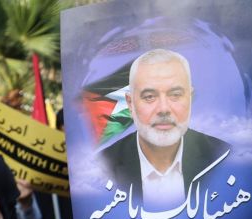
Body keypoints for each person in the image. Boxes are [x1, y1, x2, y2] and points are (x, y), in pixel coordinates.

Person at [99, 49, 230, 209]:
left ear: (190, 97)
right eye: (149, 96)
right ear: (130, 103)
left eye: (175, 94)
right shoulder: (100, 168)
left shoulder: (225, 159)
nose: (163, 109)